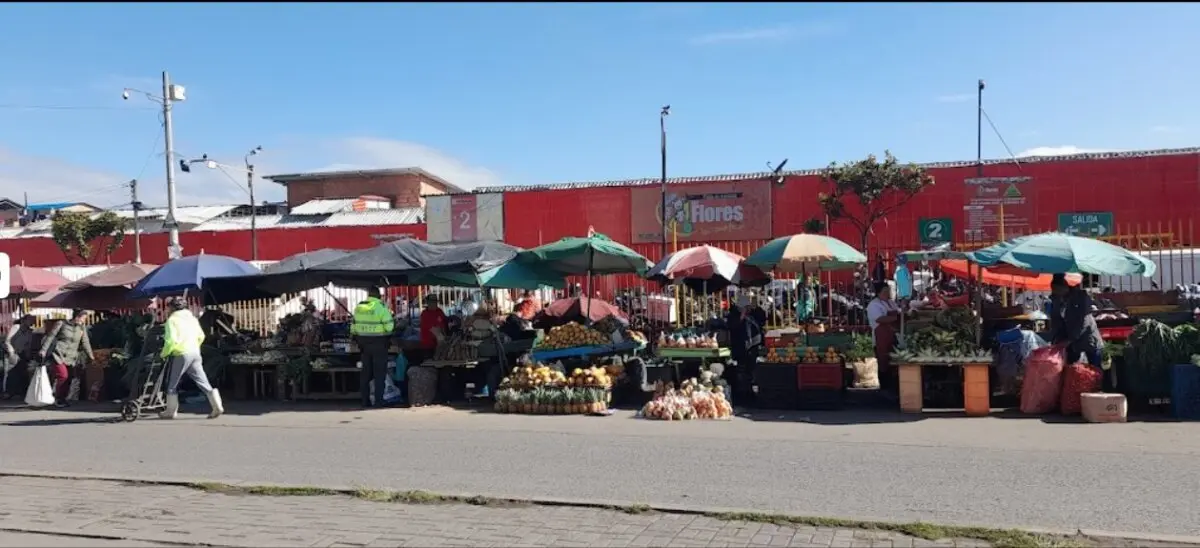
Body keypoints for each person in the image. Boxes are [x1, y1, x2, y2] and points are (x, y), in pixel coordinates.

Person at [160, 298, 223, 419]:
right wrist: (194, 346)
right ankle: (217, 406)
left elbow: (170, 341)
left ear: (172, 308)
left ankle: (170, 411)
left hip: (181, 353)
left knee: (172, 383)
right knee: (202, 381)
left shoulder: (172, 320)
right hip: (195, 352)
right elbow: (201, 336)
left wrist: (164, 354)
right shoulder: (193, 319)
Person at [38, 309, 94, 408]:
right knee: (63, 376)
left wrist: (90, 355)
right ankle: (58, 397)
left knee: (69, 378)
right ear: (77, 317)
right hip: (58, 354)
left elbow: (85, 342)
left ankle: (62, 398)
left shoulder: (81, 328)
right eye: (83, 318)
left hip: (72, 357)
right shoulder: (61, 324)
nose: (84, 320)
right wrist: (44, 350)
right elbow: (50, 337)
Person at [351, 287, 395, 408]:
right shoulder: (381, 307)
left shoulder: (359, 308)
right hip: (379, 344)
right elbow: (389, 327)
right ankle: (378, 402)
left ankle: (364, 401)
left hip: (364, 345)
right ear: (379, 296)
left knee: (365, 374)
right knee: (379, 374)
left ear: (369, 295)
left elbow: (353, 328)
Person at [1049, 274, 1104, 368]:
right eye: (1053, 290)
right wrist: (1056, 339)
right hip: (1071, 343)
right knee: (1070, 370)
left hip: (1088, 339)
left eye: (1057, 290)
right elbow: (1056, 320)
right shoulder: (1056, 300)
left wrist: (1070, 339)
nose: (1055, 293)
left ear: (1065, 287)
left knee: (1094, 370)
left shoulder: (1081, 297)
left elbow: (1084, 322)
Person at [867, 282, 901, 394]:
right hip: (881, 338)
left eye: (888, 291)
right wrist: (895, 318)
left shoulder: (891, 303)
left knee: (895, 362)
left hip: (893, 337)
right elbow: (879, 319)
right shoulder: (874, 305)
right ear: (878, 293)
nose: (887, 293)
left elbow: (899, 312)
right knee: (883, 362)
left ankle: (895, 387)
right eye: (885, 292)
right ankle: (884, 389)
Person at [3, 314, 36, 400]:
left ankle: (19, 392)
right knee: (10, 372)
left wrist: (28, 354)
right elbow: (7, 340)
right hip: (12, 352)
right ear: (24, 320)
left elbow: (28, 344)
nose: (32, 322)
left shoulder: (29, 331)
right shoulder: (16, 327)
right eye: (30, 320)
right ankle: (7, 392)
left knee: (21, 372)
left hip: (22, 354)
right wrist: (11, 352)